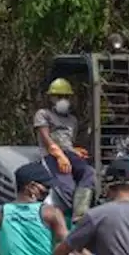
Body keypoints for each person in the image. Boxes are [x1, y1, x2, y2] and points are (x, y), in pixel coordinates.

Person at [34, 77, 96, 222]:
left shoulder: (72, 120)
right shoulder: (43, 114)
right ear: (51, 98)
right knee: (66, 187)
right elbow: (47, 140)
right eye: (59, 96)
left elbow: (67, 142)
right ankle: (53, 217)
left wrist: (75, 151)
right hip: (51, 156)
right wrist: (60, 155)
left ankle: (80, 214)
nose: (63, 99)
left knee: (89, 173)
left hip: (68, 154)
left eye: (66, 96)